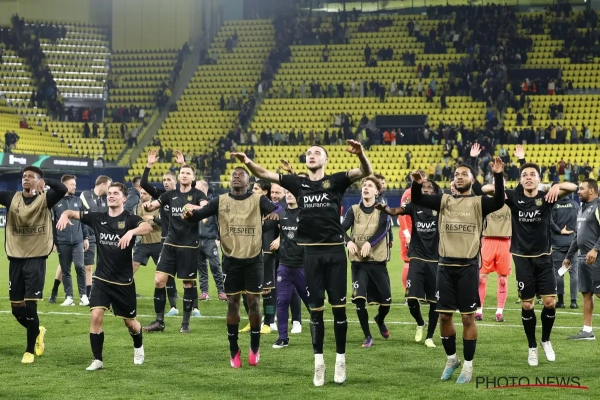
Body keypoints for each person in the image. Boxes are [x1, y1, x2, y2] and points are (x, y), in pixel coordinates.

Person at [232, 139, 373, 386]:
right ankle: (319, 364)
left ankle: (340, 360)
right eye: (308, 152)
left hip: (335, 254)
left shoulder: (336, 180)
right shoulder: (297, 183)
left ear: (326, 159)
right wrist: (248, 162)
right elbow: (265, 174)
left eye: (317, 152)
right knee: (315, 312)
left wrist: (361, 153)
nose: (311, 155)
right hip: (311, 256)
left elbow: (365, 171)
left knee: (339, 310)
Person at [411, 159, 505, 384]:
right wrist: (416, 184)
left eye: (464, 174)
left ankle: (468, 366)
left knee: (467, 317)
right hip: (444, 267)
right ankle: (452, 359)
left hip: (467, 268)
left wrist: (498, 175)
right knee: (444, 316)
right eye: (456, 174)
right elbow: (418, 199)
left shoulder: (479, 202)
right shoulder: (444, 200)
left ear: (472, 179)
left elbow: (500, 200)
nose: (459, 177)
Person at [182, 167, 280, 367]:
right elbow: (198, 215)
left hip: (254, 259)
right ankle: (234, 349)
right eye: (233, 175)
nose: (236, 177)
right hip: (231, 260)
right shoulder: (220, 200)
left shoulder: (258, 199)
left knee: (254, 303)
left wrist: (275, 214)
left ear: (248, 182)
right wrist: (189, 214)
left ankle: (255, 346)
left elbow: (279, 210)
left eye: (240, 175)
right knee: (232, 304)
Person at [483, 162, 577, 366]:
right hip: (523, 260)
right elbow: (485, 188)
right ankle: (532, 346)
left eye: (532, 174)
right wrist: (499, 182)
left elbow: (574, 187)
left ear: (539, 179)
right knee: (527, 305)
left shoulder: (547, 197)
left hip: (544, 258)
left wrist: (556, 186)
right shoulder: (513, 198)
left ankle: (546, 340)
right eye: (524, 174)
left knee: (550, 303)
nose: (528, 177)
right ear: (520, 179)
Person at [56, 182, 153, 370]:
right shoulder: (98, 217)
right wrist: (64, 215)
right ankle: (97, 360)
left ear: (124, 198)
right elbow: (71, 213)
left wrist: (131, 232)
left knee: (130, 324)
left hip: (123, 282)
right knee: (95, 316)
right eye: (109, 193)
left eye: (115, 193)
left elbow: (147, 228)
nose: (111, 195)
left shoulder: (130, 219)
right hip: (101, 279)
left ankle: (138, 346)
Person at [0, 166, 67, 363]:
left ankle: (29, 350)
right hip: (15, 258)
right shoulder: (11, 198)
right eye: (24, 176)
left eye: (31, 176)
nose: (26, 178)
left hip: (36, 258)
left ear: (39, 180)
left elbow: (62, 189)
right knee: (16, 309)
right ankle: (38, 330)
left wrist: (47, 182)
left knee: (30, 307)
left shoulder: (46, 198)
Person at [142, 163, 207, 334]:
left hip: (189, 245)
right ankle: (159, 322)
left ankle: (185, 324)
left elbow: (206, 208)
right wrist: (147, 206)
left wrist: (193, 207)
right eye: (182, 173)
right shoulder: (170, 195)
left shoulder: (197, 194)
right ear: (178, 177)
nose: (184, 175)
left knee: (188, 283)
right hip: (170, 243)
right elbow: (153, 205)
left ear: (193, 178)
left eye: (188, 173)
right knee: (159, 280)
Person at [377, 179, 440, 348]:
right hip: (417, 257)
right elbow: (395, 211)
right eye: (423, 187)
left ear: (434, 192)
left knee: (434, 302)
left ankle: (429, 337)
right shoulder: (413, 206)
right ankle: (420, 322)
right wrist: (385, 209)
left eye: (429, 187)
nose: (426, 189)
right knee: (411, 299)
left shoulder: (440, 207)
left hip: (435, 259)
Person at [471, 144, 525, 322]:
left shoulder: (512, 199)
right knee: (481, 278)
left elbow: (524, 184)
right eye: (495, 181)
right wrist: (473, 159)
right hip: (487, 241)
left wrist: (522, 160)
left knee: (502, 280)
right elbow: (474, 185)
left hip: (505, 243)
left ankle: (499, 311)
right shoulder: (486, 200)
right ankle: (479, 310)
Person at [343, 176, 391, 348]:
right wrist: (348, 241)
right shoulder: (353, 210)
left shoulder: (383, 210)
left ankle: (380, 319)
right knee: (359, 298)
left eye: (370, 186)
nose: (366, 187)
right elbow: (340, 229)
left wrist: (369, 243)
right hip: (358, 263)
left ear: (377, 191)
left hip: (377, 262)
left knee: (386, 302)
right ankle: (368, 336)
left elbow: (383, 230)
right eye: (364, 185)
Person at [140, 149, 181, 315]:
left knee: (188, 277)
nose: (166, 182)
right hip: (166, 239)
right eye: (164, 180)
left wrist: (183, 164)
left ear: (176, 181)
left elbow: (192, 183)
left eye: (169, 179)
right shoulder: (162, 195)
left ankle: (194, 308)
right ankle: (173, 307)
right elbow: (144, 184)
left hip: (184, 239)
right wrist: (148, 165)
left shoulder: (184, 194)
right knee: (166, 274)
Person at [271, 189, 311, 348]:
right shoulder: (280, 213)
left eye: (292, 192)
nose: (289, 194)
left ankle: (319, 332)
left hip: (303, 266)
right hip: (284, 266)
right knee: (282, 301)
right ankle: (283, 337)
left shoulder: (306, 214)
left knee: (312, 303)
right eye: (287, 192)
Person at [565, 179, 600, 340]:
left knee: (598, 293)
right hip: (582, 257)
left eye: (582, 189)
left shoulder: (598, 205)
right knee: (587, 293)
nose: (578, 191)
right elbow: (577, 236)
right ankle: (587, 331)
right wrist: (568, 256)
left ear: (591, 190)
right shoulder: (581, 208)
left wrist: (596, 249)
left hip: (596, 258)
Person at [51, 174, 89, 307]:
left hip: (78, 241)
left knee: (79, 267)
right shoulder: (55, 202)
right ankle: (69, 297)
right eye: (72, 184)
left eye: (75, 184)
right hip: (62, 241)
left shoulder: (79, 201)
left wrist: (85, 237)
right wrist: (53, 241)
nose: (75, 187)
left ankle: (83, 296)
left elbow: (84, 221)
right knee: (65, 270)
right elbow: (52, 224)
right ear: (65, 185)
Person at [250, 179, 278, 334]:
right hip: (250, 252)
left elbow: (275, 222)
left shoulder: (271, 208)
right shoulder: (250, 205)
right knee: (249, 290)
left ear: (265, 192)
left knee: (267, 291)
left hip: (266, 252)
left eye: (256, 188)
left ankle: (268, 322)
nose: (252, 191)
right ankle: (253, 321)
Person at [80, 175, 112, 297]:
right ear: (102, 185)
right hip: (82, 234)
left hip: (96, 236)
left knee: (90, 266)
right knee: (65, 264)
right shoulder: (86, 195)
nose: (110, 189)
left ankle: (89, 294)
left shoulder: (103, 201)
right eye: (109, 186)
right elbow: (92, 212)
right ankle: (55, 290)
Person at [194, 180, 226, 302]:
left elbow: (221, 223)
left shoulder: (212, 205)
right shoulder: (193, 206)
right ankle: (204, 292)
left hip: (210, 241)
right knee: (201, 268)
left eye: (196, 188)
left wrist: (219, 238)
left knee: (215, 266)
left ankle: (221, 291)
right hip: (197, 241)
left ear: (203, 190)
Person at [549, 183, 579, 309]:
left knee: (559, 272)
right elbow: (580, 221)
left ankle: (560, 301)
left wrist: (560, 231)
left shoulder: (552, 206)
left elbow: (550, 222)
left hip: (557, 242)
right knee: (574, 272)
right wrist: (573, 231)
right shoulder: (575, 205)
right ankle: (573, 302)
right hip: (573, 242)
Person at [132, 189, 162, 274]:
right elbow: (136, 223)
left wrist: (153, 219)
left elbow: (164, 223)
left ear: (151, 195)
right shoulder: (136, 207)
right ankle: (127, 282)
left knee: (162, 270)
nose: (142, 195)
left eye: (145, 193)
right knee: (132, 266)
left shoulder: (159, 207)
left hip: (158, 243)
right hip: (143, 243)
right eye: (141, 193)